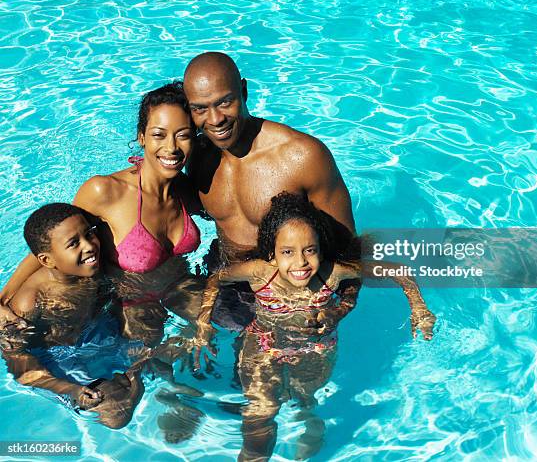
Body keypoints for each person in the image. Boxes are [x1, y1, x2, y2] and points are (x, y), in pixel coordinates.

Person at [182, 52, 435, 345]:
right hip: (226, 279)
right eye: (200, 109)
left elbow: (348, 254)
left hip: (296, 296)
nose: (214, 120)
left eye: (225, 102)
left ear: (244, 90)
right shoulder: (198, 156)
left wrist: (337, 311)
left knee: (279, 386)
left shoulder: (302, 157)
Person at [209, 192, 426, 461]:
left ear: (321, 250)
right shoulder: (259, 273)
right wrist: (200, 323)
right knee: (259, 412)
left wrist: (419, 307)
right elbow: (216, 279)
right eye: (287, 252)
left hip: (317, 349)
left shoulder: (331, 273)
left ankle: (309, 417)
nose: (300, 262)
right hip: (264, 346)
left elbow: (398, 270)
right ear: (271, 254)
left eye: (309, 250)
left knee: (304, 396)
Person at [0, 82, 206, 347]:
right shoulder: (106, 192)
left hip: (179, 288)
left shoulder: (187, 190)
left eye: (183, 135)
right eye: (159, 134)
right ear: (142, 136)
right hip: (131, 305)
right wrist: (3, 299)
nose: (171, 147)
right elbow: (56, 242)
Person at [2, 203, 143, 429]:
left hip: (97, 334)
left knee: (161, 359)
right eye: (73, 243)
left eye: (89, 234)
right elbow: (18, 361)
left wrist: (131, 334)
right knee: (114, 415)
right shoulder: (30, 302)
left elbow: (118, 302)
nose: (89, 246)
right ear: (48, 260)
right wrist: (69, 389)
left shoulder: (93, 270)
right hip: (57, 358)